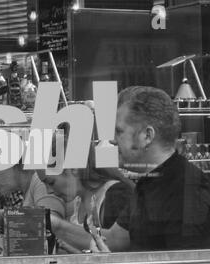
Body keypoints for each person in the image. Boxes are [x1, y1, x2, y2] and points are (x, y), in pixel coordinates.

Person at [53, 86, 210, 252]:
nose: (112, 140)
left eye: (119, 131)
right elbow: (114, 239)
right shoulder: (149, 182)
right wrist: (56, 225)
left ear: (147, 136)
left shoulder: (188, 191)